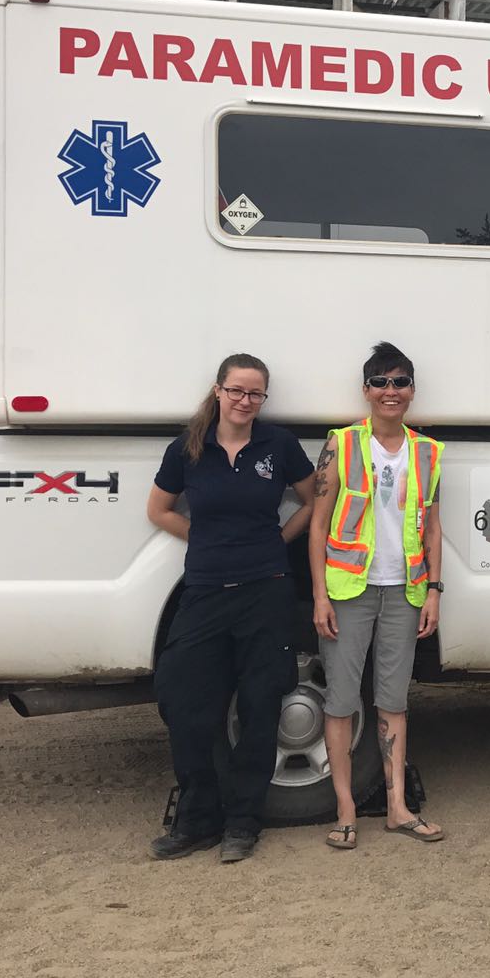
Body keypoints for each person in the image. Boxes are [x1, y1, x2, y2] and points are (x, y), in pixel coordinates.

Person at [145, 353, 316, 864]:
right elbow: (158, 509)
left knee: (261, 709)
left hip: (265, 592)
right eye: (237, 390)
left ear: (264, 399)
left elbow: (312, 501)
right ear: (218, 390)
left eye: (255, 393)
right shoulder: (188, 448)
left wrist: (276, 541)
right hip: (204, 591)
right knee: (189, 707)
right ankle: (197, 821)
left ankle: (244, 822)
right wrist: (204, 538)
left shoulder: (278, 446)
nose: (245, 401)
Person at [310, 342, 444, 850]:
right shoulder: (341, 444)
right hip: (350, 590)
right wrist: (320, 596)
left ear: (412, 391)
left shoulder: (428, 451)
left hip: (405, 591)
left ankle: (396, 809)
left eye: (401, 382)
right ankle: (346, 808)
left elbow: (432, 526)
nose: (392, 391)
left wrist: (433, 590)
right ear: (365, 390)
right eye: (381, 382)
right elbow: (318, 526)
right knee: (342, 701)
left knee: (394, 701)